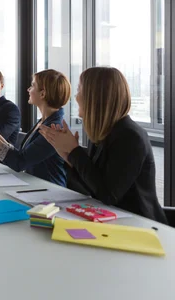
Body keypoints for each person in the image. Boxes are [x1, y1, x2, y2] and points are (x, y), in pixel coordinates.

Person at [39, 67, 167, 223]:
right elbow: (89, 188)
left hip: (140, 226)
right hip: (111, 220)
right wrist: (67, 156)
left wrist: (74, 151)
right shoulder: (103, 133)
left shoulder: (130, 137)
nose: (76, 96)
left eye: (79, 90)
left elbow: (108, 195)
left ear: (95, 97)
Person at [0, 69, 70, 186]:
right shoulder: (42, 122)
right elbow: (20, 155)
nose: (28, 89)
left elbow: (19, 162)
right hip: (35, 186)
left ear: (42, 94)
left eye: (32, 86)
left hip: (49, 193)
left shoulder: (53, 128)